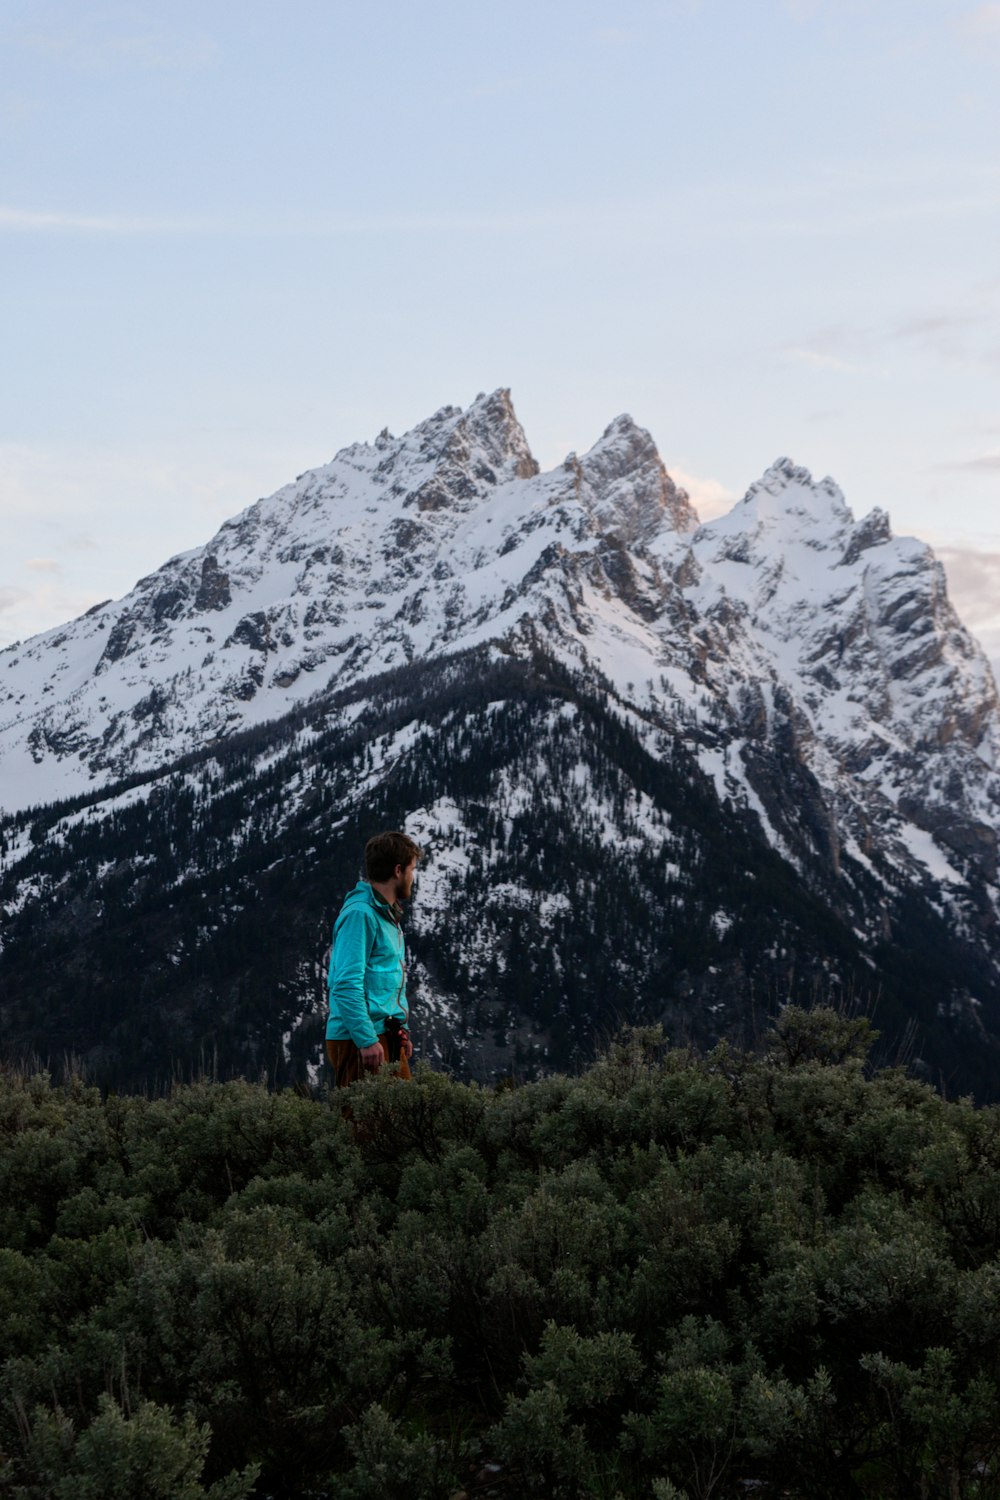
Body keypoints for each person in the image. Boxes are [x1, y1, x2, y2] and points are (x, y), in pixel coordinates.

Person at [325, 830, 421, 1087]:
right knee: (366, 1124)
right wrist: (366, 1039)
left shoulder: (385, 915)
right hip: (361, 1040)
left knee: (403, 1121)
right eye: (412, 869)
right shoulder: (361, 915)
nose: (413, 877)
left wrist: (399, 1031)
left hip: (383, 1035)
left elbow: (382, 981)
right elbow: (345, 984)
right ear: (398, 870)